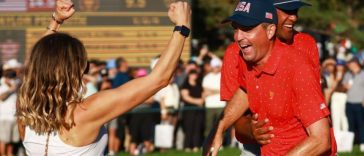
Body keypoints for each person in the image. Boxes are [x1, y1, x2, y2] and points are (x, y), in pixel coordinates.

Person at [16, 0, 191, 155]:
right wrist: (181, 27)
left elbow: (37, 65)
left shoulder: (26, 110)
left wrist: (56, 21)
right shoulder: (85, 113)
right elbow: (159, 79)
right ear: (73, 70)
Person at [203, 0, 334, 155]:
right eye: (236, 29)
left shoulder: (297, 66)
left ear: (270, 30)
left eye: (247, 28)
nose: (238, 36)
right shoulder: (250, 59)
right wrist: (218, 129)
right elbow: (245, 91)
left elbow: (321, 140)